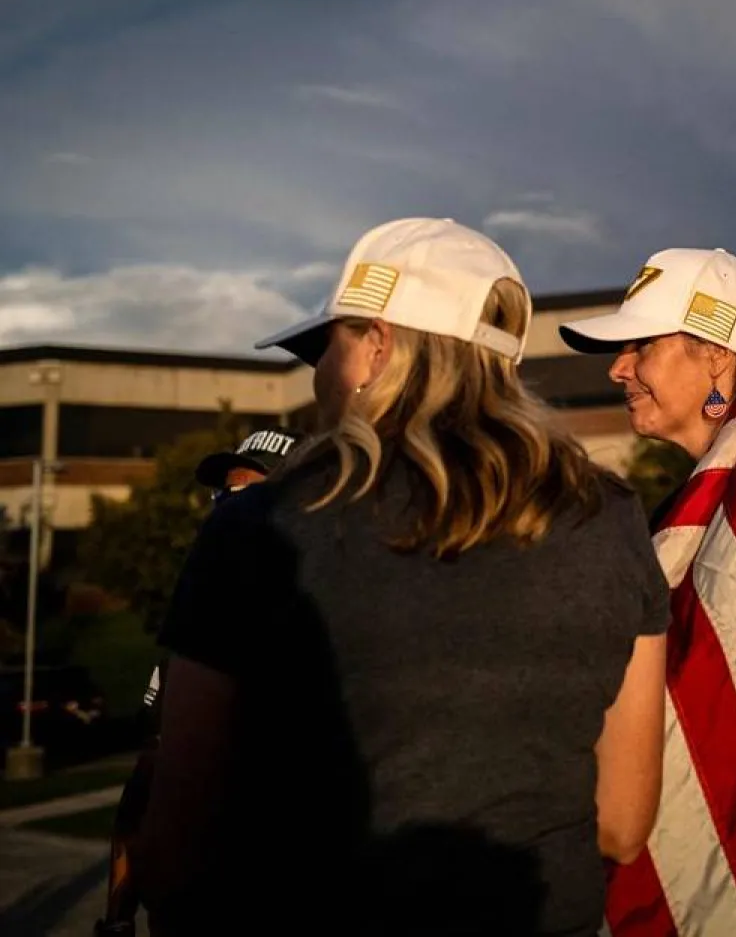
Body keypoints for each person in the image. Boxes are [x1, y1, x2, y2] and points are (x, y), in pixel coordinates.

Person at [132, 218, 669, 937]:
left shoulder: (258, 526)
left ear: (377, 349)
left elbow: (171, 852)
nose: (319, 372)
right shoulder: (610, 515)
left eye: (329, 346)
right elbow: (624, 826)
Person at [97, 426, 302, 937]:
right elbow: (144, 791)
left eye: (247, 493)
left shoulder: (332, 639)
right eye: (222, 493)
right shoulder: (193, 644)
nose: (225, 506)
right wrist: (119, 915)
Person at [558, 247, 736, 521]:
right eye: (621, 349)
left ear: (716, 355)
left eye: (644, 345)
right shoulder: (679, 516)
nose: (617, 370)